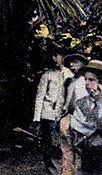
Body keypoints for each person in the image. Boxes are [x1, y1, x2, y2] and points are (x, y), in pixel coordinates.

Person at [70, 59, 102, 175]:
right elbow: (76, 124)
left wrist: (99, 102)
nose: (86, 83)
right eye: (85, 79)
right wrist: (94, 129)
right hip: (88, 149)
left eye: (91, 80)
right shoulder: (80, 103)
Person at [33, 46, 71, 174]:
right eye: (53, 55)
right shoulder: (47, 75)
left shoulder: (70, 74)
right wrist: (37, 119)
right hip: (48, 114)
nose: (55, 59)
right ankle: (52, 171)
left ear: (64, 57)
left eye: (58, 55)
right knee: (48, 146)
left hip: (64, 115)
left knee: (64, 144)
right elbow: (40, 98)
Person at [58, 53, 88, 175]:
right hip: (68, 117)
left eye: (75, 62)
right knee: (66, 150)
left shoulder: (87, 81)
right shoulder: (68, 81)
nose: (72, 65)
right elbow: (63, 100)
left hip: (82, 118)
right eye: (70, 63)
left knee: (81, 149)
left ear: (83, 64)